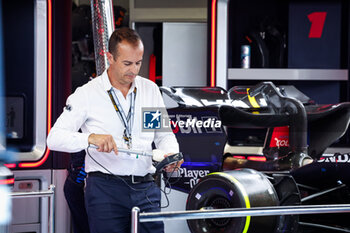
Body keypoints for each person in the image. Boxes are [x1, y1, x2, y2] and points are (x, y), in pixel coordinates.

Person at [47, 27, 182, 233]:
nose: (134, 70)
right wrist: (90, 138)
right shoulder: (87, 94)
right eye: (127, 63)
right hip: (105, 190)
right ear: (109, 57)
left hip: (146, 187)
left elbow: (163, 136)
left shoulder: (149, 90)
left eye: (138, 63)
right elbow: (54, 138)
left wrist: (170, 155)